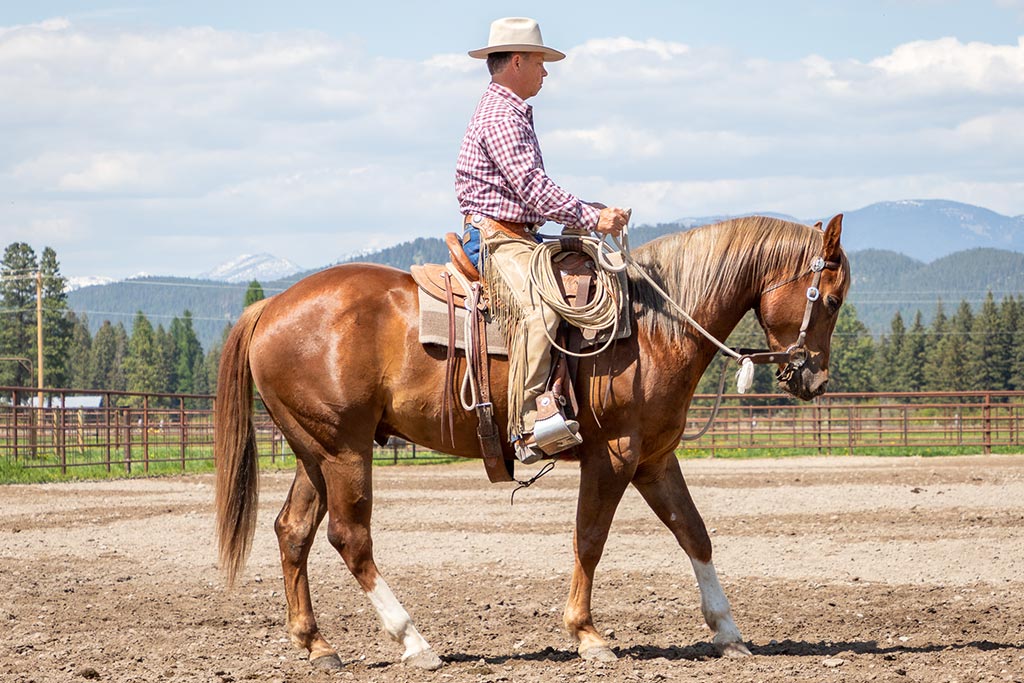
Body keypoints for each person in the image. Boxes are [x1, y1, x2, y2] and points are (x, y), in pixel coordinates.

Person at [456, 17, 630, 464]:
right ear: (517, 61)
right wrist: (593, 216)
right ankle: (529, 421)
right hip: (497, 240)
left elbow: (530, 193)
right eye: (540, 61)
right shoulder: (501, 116)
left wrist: (588, 209)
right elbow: (532, 187)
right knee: (543, 307)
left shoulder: (509, 112)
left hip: (516, 234)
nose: (545, 72)